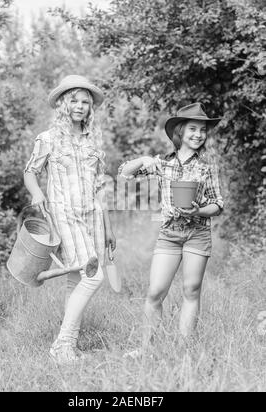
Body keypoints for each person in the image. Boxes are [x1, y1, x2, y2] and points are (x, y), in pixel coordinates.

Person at [24, 74, 116, 364]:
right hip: (64, 213)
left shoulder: (93, 142)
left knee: (76, 280)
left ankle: (69, 348)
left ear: (90, 108)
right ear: (64, 104)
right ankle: (61, 345)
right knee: (93, 276)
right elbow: (30, 172)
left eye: (85, 102)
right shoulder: (48, 139)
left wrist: (109, 226)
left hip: (93, 215)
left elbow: (101, 188)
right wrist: (37, 193)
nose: (79, 106)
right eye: (73, 101)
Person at [119, 103, 223, 356]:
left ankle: (183, 351)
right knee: (155, 292)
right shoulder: (162, 164)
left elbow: (218, 204)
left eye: (202, 130)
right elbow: (125, 174)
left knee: (191, 290)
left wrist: (197, 210)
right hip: (170, 233)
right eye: (193, 129)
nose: (198, 134)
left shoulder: (207, 167)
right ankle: (146, 349)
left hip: (197, 232)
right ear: (180, 131)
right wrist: (144, 159)